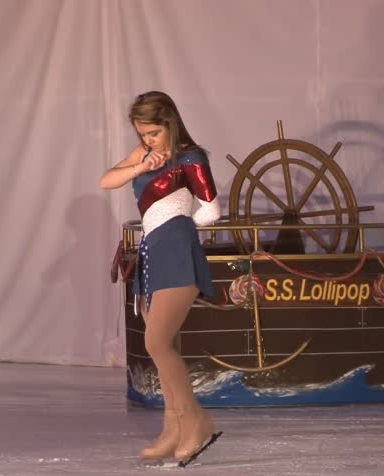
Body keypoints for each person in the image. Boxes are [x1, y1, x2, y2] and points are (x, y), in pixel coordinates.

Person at [99, 91, 222, 464]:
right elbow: (107, 180)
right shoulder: (143, 155)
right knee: (160, 344)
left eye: (153, 132)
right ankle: (172, 428)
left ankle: (194, 421)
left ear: (170, 122)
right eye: (142, 134)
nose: (148, 140)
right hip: (152, 254)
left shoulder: (190, 158)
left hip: (177, 252)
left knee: (156, 343)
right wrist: (139, 167)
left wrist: (179, 225)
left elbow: (212, 211)